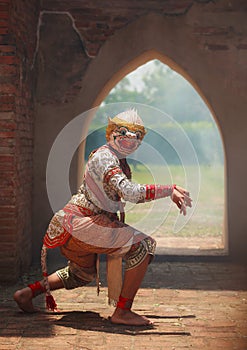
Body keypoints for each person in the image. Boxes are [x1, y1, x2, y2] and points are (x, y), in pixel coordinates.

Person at [14, 109, 192, 326]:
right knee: (144, 246)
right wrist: (168, 189)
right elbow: (130, 192)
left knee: (81, 274)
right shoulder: (104, 157)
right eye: (124, 134)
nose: (130, 140)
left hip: (80, 224)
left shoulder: (117, 159)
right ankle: (123, 312)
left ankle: (27, 293)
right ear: (112, 134)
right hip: (82, 222)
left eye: (136, 137)